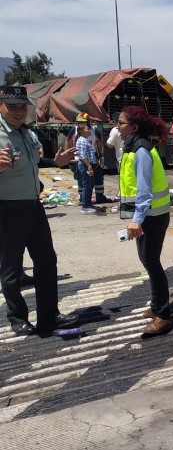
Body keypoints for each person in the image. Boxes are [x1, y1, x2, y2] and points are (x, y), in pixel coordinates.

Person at [0, 85, 79, 335]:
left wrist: (55, 163)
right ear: (0, 106)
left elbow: (33, 163)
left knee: (47, 261)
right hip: (7, 210)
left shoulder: (26, 133)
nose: (18, 112)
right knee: (11, 269)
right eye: (12, 107)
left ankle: (49, 315)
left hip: (35, 207)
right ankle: (17, 317)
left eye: (22, 107)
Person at [117, 106, 173, 336]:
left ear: (133, 127)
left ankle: (163, 315)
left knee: (151, 261)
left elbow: (144, 191)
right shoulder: (133, 148)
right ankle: (155, 306)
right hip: (146, 217)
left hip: (153, 217)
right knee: (147, 259)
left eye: (121, 123)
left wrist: (136, 219)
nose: (117, 127)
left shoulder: (140, 150)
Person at [67, 113, 111, 204]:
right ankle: (83, 198)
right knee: (81, 179)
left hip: (93, 156)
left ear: (88, 122)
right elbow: (68, 140)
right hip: (80, 157)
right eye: (79, 122)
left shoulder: (94, 130)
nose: (81, 124)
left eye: (83, 122)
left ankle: (100, 196)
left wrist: (101, 154)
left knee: (98, 177)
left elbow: (99, 141)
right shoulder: (75, 130)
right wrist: (69, 154)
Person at [75, 121, 100, 214]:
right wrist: (89, 166)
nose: (89, 130)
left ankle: (89, 204)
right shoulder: (81, 140)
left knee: (90, 185)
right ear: (81, 131)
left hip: (89, 165)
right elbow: (82, 155)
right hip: (85, 165)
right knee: (87, 185)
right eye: (86, 129)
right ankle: (85, 206)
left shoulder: (85, 139)